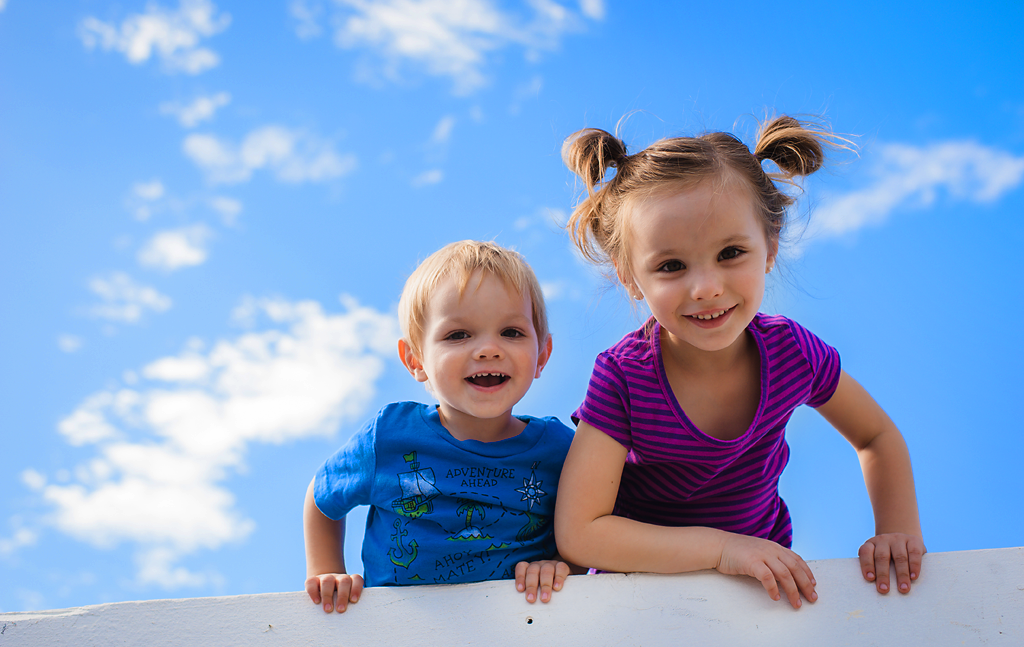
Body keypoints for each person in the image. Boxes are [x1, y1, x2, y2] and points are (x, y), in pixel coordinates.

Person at [553, 115, 925, 609]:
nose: (706, 286)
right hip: (640, 597)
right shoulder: (624, 375)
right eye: (671, 266)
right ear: (628, 275)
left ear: (769, 247)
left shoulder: (791, 352)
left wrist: (896, 530)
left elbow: (877, 436)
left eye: (730, 252)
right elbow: (580, 532)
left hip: (757, 593)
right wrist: (724, 549)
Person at [304, 240, 574, 613]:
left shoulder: (561, 451)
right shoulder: (391, 437)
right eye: (458, 335)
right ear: (415, 360)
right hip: (398, 640)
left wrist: (565, 565)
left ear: (542, 354)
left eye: (511, 332)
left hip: (520, 636)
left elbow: (591, 525)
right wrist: (327, 570)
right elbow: (323, 496)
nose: (488, 349)